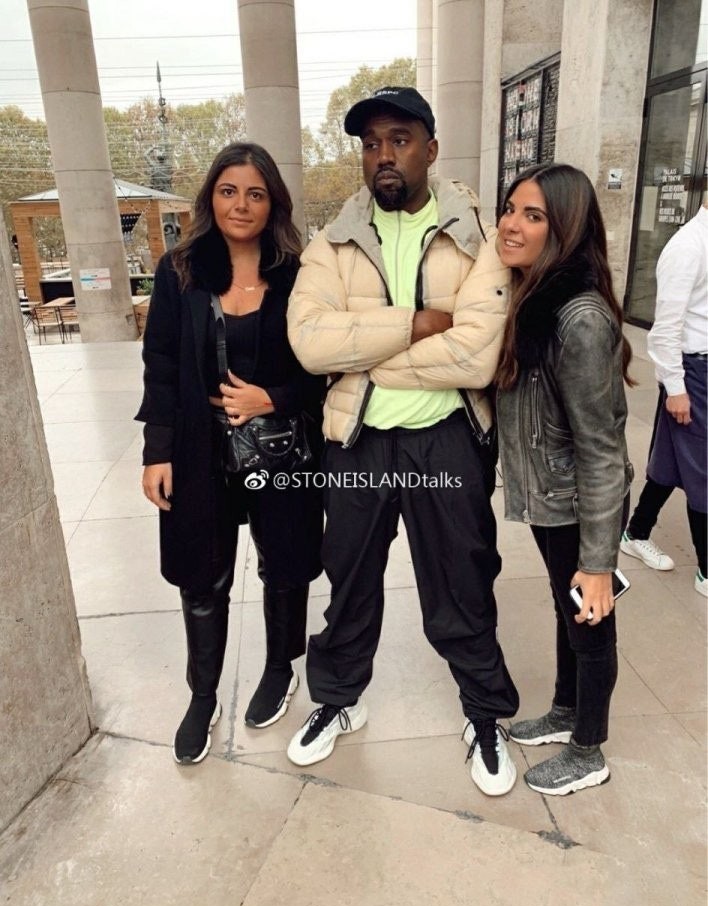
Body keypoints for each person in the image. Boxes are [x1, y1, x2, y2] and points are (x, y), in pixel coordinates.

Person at [286, 87, 519, 797]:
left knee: (462, 583)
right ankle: (337, 699)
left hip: (445, 440)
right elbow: (309, 343)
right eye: (370, 144)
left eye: (399, 139)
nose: (383, 154)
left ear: (430, 148)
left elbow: (476, 355)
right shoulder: (333, 241)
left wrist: (363, 350)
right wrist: (416, 323)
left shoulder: (475, 234)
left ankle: (484, 714)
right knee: (349, 579)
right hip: (358, 440)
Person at [136, 142, 324, 765]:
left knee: (285, 565)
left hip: (281, 450)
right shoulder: (180, 271)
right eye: (228, 191)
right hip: (199, 451)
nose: (240, 205)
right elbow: (161, 362)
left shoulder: (298, 274)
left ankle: (280, 667)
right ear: (210, 198)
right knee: (202, 574)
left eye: (255, 193)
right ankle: (203, 694)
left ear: (273, 205)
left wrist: (273, 397)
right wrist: (157, 450)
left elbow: (324, 367)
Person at [494, 162, 634, 796]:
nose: (512, 225)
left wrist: (600, 563)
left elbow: (602, 450)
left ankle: (588, 749)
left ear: (566, 230)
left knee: (589, 619)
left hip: (580, 502)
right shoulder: (533, 299)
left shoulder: (577, 319)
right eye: (510, 209)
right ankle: (564, 710)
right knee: (565, 608)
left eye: (533, 216)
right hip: (554, 497)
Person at [620, 202, 707, 596]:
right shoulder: (688, 245)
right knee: (704, 471)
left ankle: (636, 533)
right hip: (694, 371)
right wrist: (676, 387)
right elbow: (666, 326)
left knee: (671, 462)